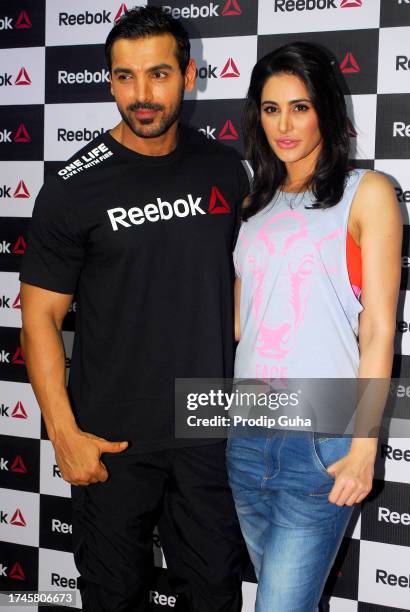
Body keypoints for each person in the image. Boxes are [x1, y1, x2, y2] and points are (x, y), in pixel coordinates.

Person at [19, 7, 250, 612]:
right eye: (124, 77)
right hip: (110, 437)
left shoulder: (225, 167)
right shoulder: (72, 186)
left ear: (189, 75)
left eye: (158, 74)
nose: (141, 95)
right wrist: (64, 434)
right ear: (110, 81)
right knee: (112, 598)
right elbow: (39, 317)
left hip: (206, 430)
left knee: (214, 594)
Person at [226, 42, 402, 611]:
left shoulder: (367, 193)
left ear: (326, 108)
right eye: (271, 108)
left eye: (300, 107)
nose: (285, 124)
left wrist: (364, 444)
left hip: (322, 439)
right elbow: (239, 322)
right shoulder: (255, 201)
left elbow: (378, 330)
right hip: (247, 434)